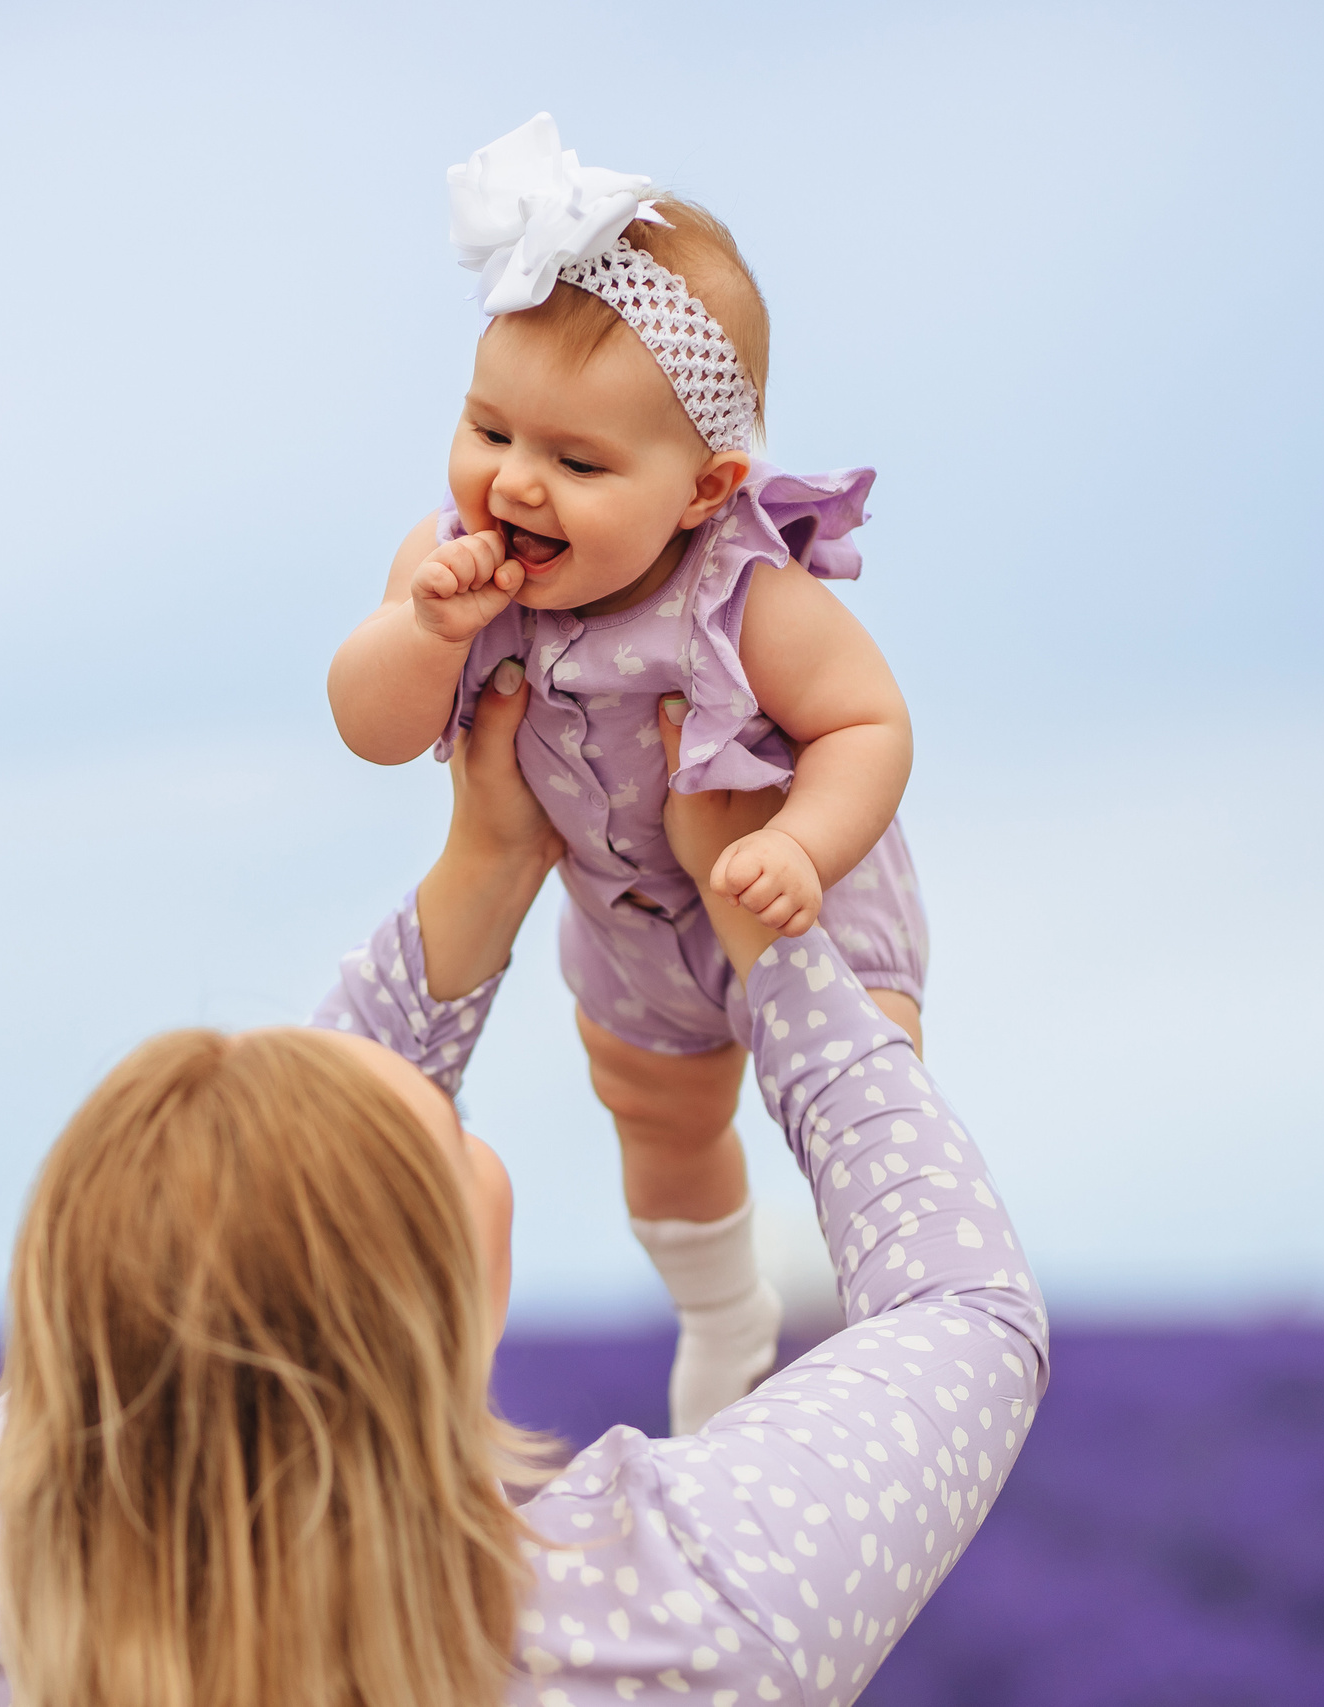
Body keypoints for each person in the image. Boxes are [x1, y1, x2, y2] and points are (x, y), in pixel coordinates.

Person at [0, 670, 1047, 1707]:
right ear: (446, 1302)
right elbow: (966, 1311)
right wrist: (774, 952)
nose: (454, 1113)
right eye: (446, 1134)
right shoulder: (678, 1618)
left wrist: (486, 867)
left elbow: (207, 1248)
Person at [326, 114, 927, 1433]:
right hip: (631, 921)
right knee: (657, 1120)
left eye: (578, 461)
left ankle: (897, 1335)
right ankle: (722, 1313)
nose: (516, 483)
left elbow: (868, 722)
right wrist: (422, 632)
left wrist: (805, 845)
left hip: (799, 902)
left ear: (706, 489)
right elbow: (370, 725)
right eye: (491, 428)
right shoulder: (451, 567)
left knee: (860, 1097)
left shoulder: (747, 595)